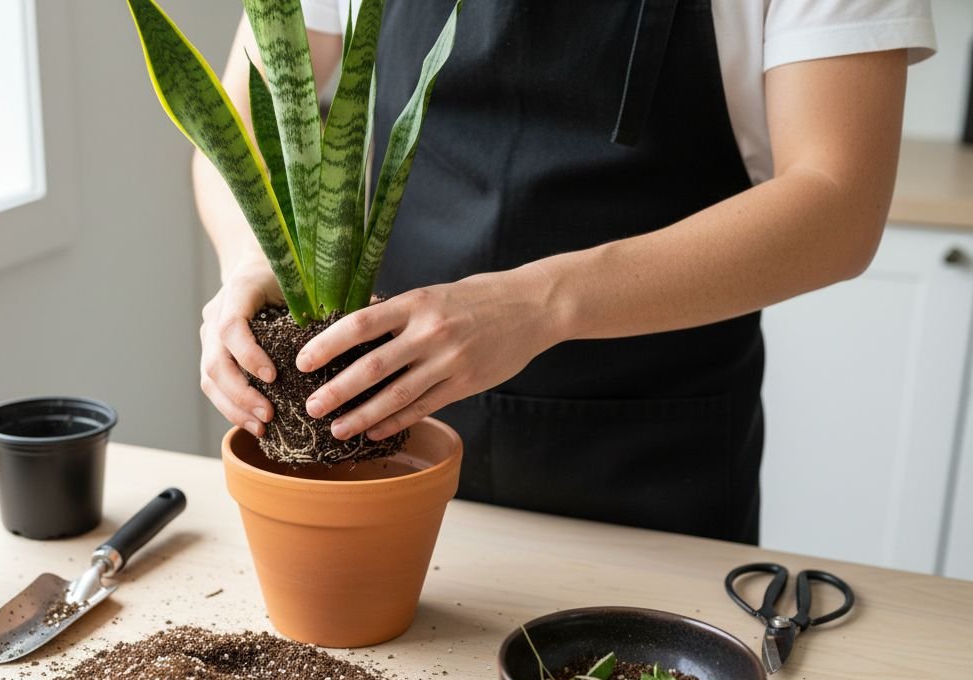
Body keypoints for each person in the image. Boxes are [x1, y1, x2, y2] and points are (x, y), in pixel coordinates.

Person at [195, 0, 936, 544]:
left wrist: (537, 304)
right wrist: (255, 262)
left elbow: (838, 204)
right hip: (386, 456)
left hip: (652, 472)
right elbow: (244, 113)